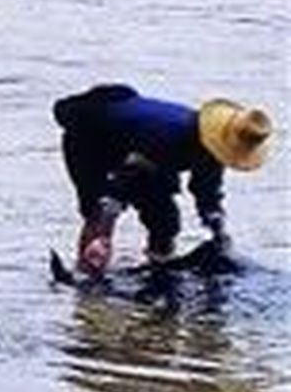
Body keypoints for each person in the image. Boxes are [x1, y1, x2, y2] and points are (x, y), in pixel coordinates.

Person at [54, 86, 270, 275]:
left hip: (148, 153)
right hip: (91, 138)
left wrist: (218, 229)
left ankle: (158, 265)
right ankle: (89, 271)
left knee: (165, 221)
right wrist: (102, 230)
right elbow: (121, 184)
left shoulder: (214, 148)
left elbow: (206, 190)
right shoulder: (171, 135)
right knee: (97, 208)